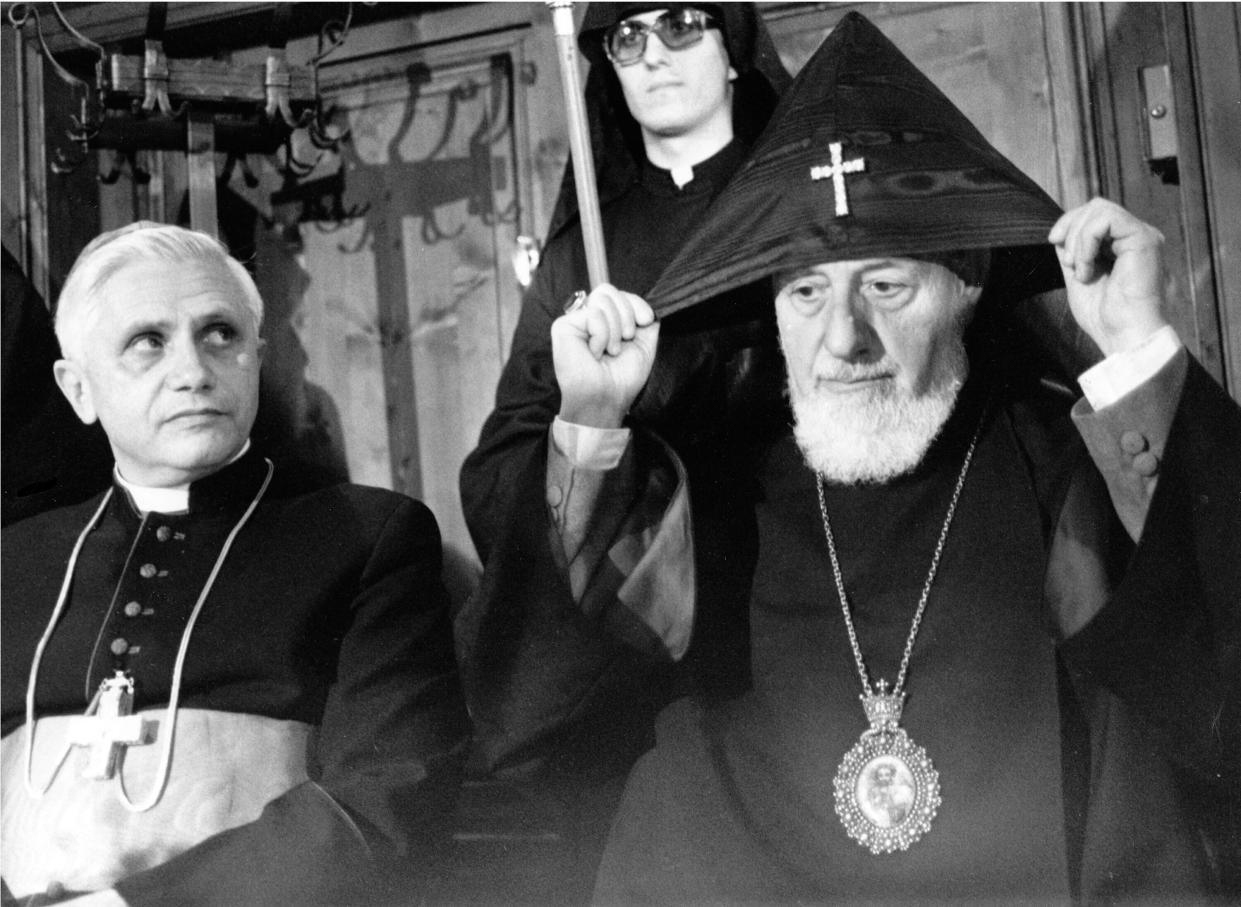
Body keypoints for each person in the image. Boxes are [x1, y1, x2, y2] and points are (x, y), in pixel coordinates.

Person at [538, 13, 1239, 903]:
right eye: (803, 293)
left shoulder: (1054, 460)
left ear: (969, 282)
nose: (843, 338)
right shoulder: (712, 490)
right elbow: (550, 706)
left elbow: (1214, 653)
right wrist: (593, 416)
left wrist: (1136, 351)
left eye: (885, 285)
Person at [1, 223, 470, 906]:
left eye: (219, 333)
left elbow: (387, 798)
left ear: (257, 357)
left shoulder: (365, 540)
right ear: (78, 389)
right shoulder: (14, 561)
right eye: (147, 342)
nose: (192, 370)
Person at [454, 3, 788, 898]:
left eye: (682, 23)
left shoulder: (808, 197)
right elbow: (500, 471)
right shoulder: (579, 257)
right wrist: (590, 418)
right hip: (644, 652)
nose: (652, 54)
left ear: (734, 49)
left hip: (798, 606)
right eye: (626, 36)